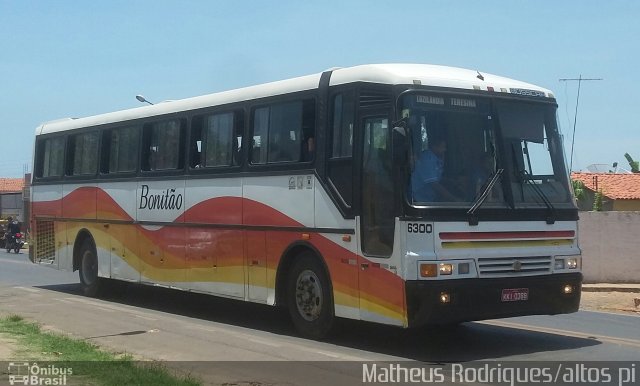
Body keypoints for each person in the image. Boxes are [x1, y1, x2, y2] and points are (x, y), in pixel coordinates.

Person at [411, 138, 458, 202]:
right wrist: (455, 200)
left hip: (428, 198)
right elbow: (434, 184)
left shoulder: (436, 158)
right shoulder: (427, 159)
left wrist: (451, 181)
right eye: (442, 147)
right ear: (434, 147)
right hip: (418, 199)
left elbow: (435, 177)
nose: (445, 150)